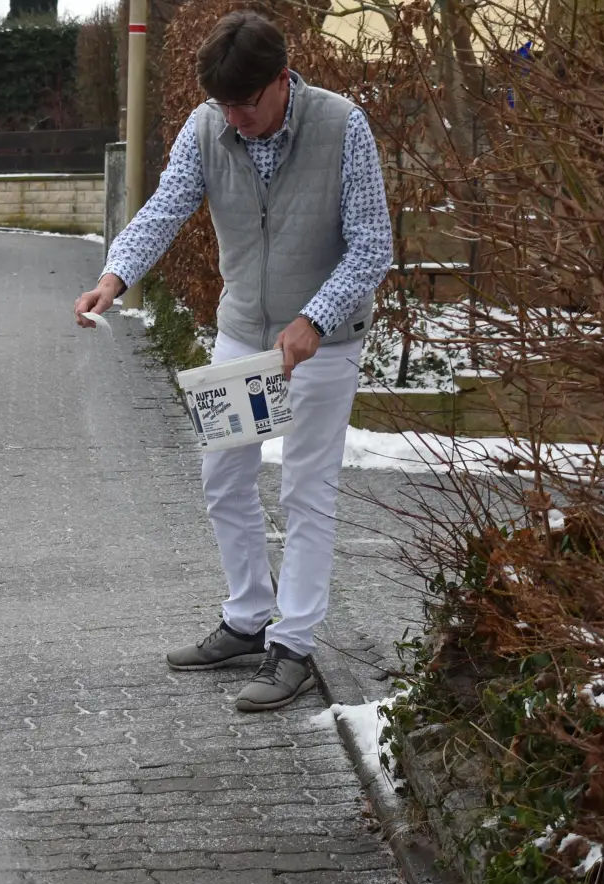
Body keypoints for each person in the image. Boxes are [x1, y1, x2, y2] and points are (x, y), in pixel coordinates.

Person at [75, 12, 392, 712]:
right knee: (225, 479)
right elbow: (165, 208)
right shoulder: (205, 127)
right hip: (244, 338)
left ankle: (296, 644)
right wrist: (115, 275)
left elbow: (373, 245)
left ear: (283, 79)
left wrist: (317, 318)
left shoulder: (344, 126)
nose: (237, 121)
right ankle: (249, 618)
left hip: (324, 345)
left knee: (306, 491)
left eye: (247, 105)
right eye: (225, 106)